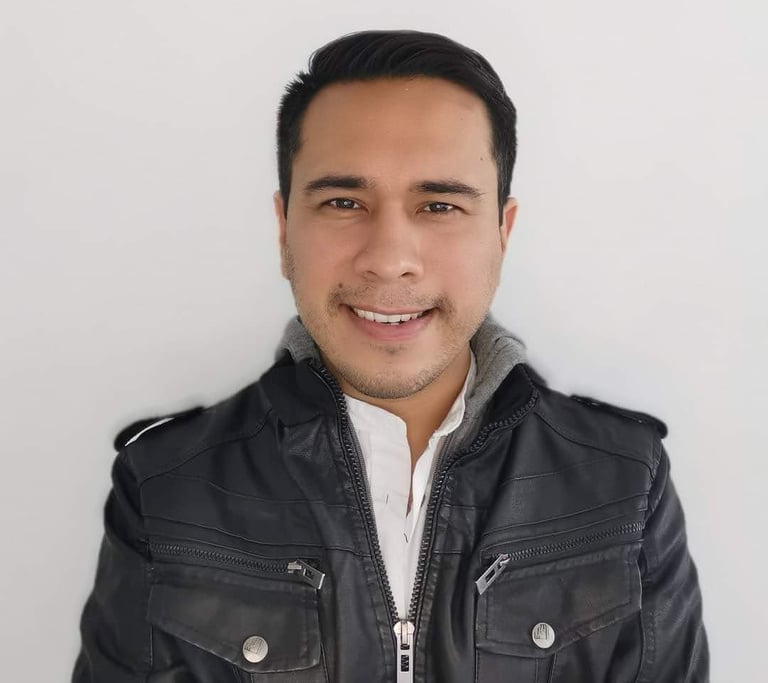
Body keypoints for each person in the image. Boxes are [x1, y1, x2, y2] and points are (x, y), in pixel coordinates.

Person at [73, 29, 708, 682]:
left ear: (502, 232)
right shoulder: (165, 487)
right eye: (343, 202)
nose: (390, 258)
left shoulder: (624, 483)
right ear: (284, 230)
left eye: (439, 205)